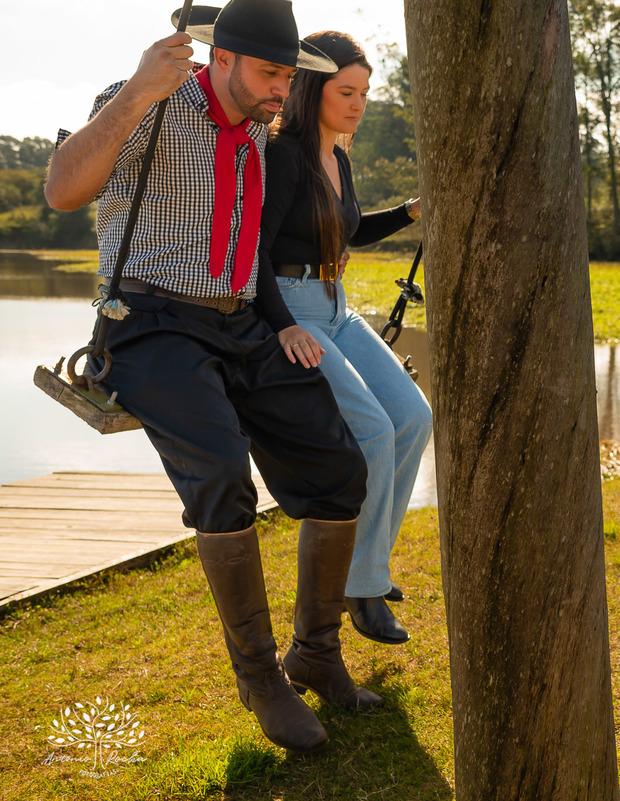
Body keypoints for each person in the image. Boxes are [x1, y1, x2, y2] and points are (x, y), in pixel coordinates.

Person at [44, 0, 380, 754]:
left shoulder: (260, 134)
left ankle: (316, 653)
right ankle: (261, 676)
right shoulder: (146, 104)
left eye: (289, 76)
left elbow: (247, 244)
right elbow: (63, 190)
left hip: (240, 323)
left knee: (339, 465)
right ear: (219, 58)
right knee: (225, 475)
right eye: (269, 73)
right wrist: (136, 93)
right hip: (151, 322)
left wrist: (282, 316)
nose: (279, 91)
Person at [258, 30, 433, 645]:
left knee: (414, 416)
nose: (358, 103)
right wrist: (283, 326)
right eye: (346, 91)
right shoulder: (284, 155)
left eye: (364, 92)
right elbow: (252, 253)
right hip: (297, 310)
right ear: (313, 89)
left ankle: (372, 568)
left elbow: (348, 233)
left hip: (338, 305)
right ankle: (361, 589)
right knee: (373, 431)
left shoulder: (340, 155)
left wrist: (411, 212)